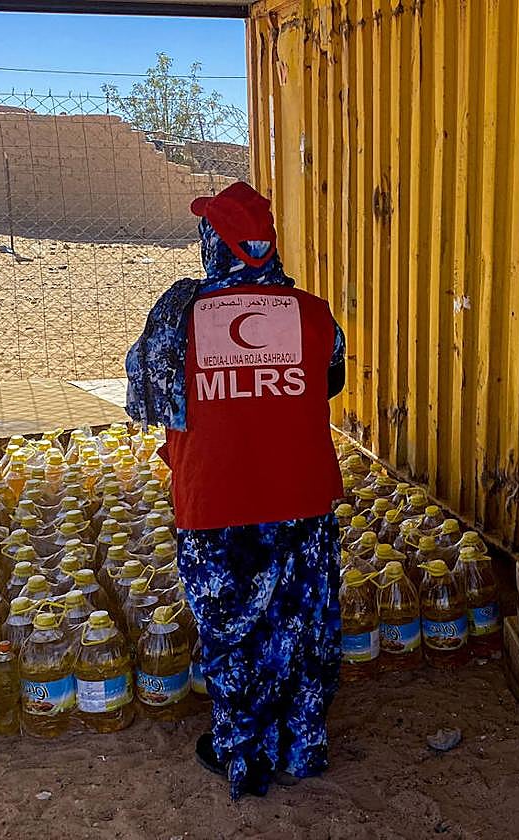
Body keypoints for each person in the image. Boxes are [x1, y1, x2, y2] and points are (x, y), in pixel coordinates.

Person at [125, 181, 346, 798]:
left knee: (232, 633)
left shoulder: (179, 316)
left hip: (216, 504)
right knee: (301, 626)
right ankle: (303, 742)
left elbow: (147, 399)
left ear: (211, 245)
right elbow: (328, 383)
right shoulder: (314, 313)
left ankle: (241, 752)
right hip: (302, 501)